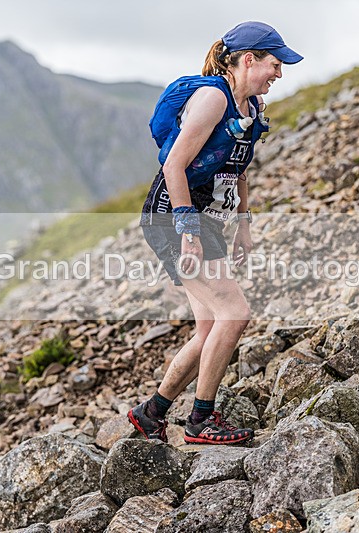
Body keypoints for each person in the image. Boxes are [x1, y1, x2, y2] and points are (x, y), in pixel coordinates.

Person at [128, 21, 302, 444]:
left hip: (206, 221)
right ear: (248, 60)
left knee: (209, 327)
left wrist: (243, 223)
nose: (278, 74)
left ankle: (152, 413)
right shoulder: (212, 99)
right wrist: (188, 232)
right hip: (173, 219)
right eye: (274, 64)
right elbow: (173, 167)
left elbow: (236, 170)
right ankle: (200, 421)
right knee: (235, 313)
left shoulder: (251, 108)